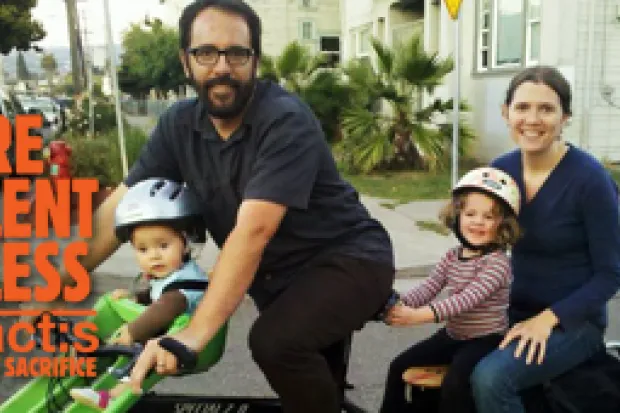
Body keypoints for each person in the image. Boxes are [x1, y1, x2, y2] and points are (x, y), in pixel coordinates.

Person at [42, 1, 395, 412]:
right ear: (185, 61)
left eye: (237, 54)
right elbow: (115, 215)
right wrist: (51, 286)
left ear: (255, 61)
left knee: (275, 343)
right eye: (206, 53)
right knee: (308, 384)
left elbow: (253, 232)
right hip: (279, 278)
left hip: (347, 262)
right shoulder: (179, 126)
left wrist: (192, 335)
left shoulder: (283, 120)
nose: (222, 67)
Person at [470, 65, 620, 413]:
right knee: (452, 365)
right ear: (506, 112)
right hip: (514, 308)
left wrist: (548, 318)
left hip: (574, 322)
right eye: (522, 107)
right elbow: (482, 244)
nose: (532, 119)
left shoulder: (590, 180)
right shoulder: (501, 171)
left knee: (492, 379)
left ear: (565, 116)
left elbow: (610, 274)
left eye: (546, 109)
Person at [379, 167, 521, 413]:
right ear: (457, 216)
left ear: (502, 225)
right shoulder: (451, 257)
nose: (478, 221)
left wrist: (417, 316)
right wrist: (397, 304)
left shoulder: (498, 264)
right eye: (470, 213)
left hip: (485, 340)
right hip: (453, 335)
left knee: (456, 384)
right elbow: (429, 287)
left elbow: (465, 301)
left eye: (488, 217)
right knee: (398, 366)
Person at [69, 178, 210, 410]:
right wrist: (135, 299)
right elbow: (157, 294)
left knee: (140, 354)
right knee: (116, 318)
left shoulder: (186, 281)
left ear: (185, 243)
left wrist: (132, 332)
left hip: (193, 343)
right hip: (167, 335)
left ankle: (110, 396)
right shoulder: (169, 275)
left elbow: (170, 303)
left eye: (163, 246)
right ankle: (88, 359)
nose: (154, 256)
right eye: (143, 249)